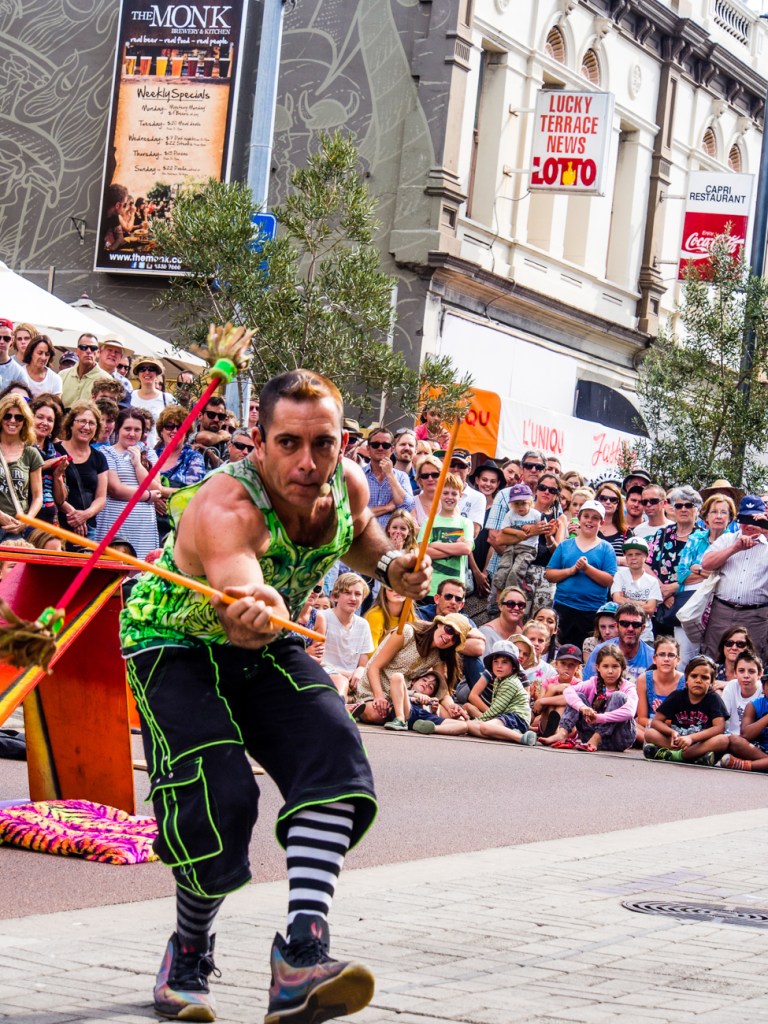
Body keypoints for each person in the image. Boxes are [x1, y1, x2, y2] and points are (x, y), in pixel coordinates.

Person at [120, 368, 432, 1023]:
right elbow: (242, 593)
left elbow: (361, 535)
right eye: (289, 443)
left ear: (343, 443)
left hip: (268, 642)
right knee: (220, 797)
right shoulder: (226, 506)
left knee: (334, 754)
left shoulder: (346, 483)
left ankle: (302, 957)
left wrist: (394, 568)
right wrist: (254, 606)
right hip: (173, 644)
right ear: (258, 443)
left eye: (323, 444)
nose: (308, 462)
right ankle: (189, 951)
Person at [356, 614, 469, 725]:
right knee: (376, 714)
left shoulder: (439, 655)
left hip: (402, 697)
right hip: (373, 690)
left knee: (455, 718)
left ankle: (406, 717)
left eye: (455, 638)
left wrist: (452, 706)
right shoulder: (407, 632)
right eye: (449, 629)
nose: (449, 637)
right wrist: (379, 696)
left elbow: (443, 692)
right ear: (439, 624)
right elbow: (374, 667)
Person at [701, 495, 768, 663]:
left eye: (754, 519)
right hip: (722, 611)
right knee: (712, 658)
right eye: (745, 519)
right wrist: (734, 548)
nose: (749, 524)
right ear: (738, 519)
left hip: (756, 615)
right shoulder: (727, 539)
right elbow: (706, 564)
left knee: (753, 661)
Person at [545, 499, 617, 647]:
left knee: (587, 650)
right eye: (586, 516)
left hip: (592, 610)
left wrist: (587, 568)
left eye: (595, 518)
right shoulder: (565, 545)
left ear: (602, 523)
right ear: (579, 518)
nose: (589, 521)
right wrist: (571, 570)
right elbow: (550, 574)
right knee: (559, 649)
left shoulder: (606, 548)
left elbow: (610, 580)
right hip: (563, 607)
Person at [541, 644, 638, 752]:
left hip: (618, 739)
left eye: (615, 666)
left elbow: (630, 712)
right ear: (598, 667)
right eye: (605, 666)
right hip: (589, 736)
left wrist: (600, 718)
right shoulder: (593, 682)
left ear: (623, 667)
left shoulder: (628, 687)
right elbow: (568, 691)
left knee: (618, 696)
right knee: (578, 696)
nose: (610, 671)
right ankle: (562, 733)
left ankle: (595, 739)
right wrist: (582, 707)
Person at [96, 408, 160, 558]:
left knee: (143, 568)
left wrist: (138, 464)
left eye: (137, 430)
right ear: (118, 429)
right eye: (127, 428)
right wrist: (148, 496)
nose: (132, 434)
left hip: (144, 528)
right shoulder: (106, 453)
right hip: (115, 523)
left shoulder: (149, 453)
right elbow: (115, 489)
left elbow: (156, 487)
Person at [642, 655, 728, 765]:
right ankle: (695, 757)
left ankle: (673, 755)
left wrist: (691, 738)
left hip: (700, 743)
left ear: (711, 683)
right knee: (650, 733)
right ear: (686, 679)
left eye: (704, 677)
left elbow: (719, 728)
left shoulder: (714, 699)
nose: (698, 680)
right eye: (694, 676)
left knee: (723, 740)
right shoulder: (677, 696)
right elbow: (656, 722)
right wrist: (672, 732)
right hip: (678, 741)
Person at [54, 402, 109, 542]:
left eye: (92, 423)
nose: (86, 427)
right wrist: (73, 514)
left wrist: (85, 515)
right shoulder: (54, 451)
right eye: (82, 421)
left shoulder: (99, 458)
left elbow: (101, 498)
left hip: (87, 528)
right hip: (57, 525)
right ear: (71, 424)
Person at [466, 640, 537, 745]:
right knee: (470, 726)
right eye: (496, 661)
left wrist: (478, 720)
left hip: (517, 718)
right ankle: (509, 735)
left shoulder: (510, 682)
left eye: (504, 662)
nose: (499, 666)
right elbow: (474, 696)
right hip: (504, 716)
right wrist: (474, 722)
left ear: (513, 666)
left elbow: (496, 710)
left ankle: (520, 737)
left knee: (484, 726)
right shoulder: (499, 679)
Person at [417, 471, 473, 597]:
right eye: (445, 493)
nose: (450, 497)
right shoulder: (429, 522)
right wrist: (455, 549)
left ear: (460, 496)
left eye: (454, 493)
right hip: (430, 588)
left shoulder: (466, 523)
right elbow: (422, 552)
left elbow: (466, 549)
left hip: (455, 591)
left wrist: (435, 544)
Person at [322, 573, 374, 699]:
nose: (353, 598)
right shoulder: (323, 617)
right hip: (325, 674)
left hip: (352, 681)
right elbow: (317, 660)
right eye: (347, 593)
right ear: (335, 596)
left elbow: (362, 664)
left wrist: (360, 671)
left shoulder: (363, 625)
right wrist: (347, 675)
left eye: (358, 594)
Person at [0, 393, 43, 540]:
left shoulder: (31, 453)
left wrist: (27, 520)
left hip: (15, 529)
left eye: (19, 417)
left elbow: (38, 496)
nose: (13, 421)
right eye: (7, 416)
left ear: (25, 421)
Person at [384, 666, 469, 736]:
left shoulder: (430, 702)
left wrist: (434, 711)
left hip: (423, 718)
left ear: (431, 695)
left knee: (463, 726)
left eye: (430, 687)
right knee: (397, 676)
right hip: (407, 712)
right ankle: (400, 720)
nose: (426, 684)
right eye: (424, 680)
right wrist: (416, 695)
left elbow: (434, 716)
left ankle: (431, 728)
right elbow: (397, 691)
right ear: (414, 681)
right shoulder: (404, 691)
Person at [583, 601, 654, 683]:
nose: (630, 628)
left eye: (636, 624)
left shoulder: (652, 657)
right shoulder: (599, 651)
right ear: (617, 626)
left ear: (643, 628)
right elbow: (587, 686)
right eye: (624, 624)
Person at [360, 426, 414, 530]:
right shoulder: (359, 475)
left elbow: (407, 506)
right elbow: (356, 512)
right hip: (364, 533)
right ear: (368, 448)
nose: (380, 448)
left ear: (392, 449)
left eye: (385, 445)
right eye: (375, 445)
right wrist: (388, 508)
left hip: (392, 536)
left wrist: (389, 474)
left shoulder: (401, 476)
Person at [635, 636, 684, 745]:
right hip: (649, 726)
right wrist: (657, 721)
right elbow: (642, 718)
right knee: (631, 724)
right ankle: (660, 743)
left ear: (678, 660)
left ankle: (658, 744)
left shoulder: (685, 682)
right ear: (654, 659)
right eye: (661, 654)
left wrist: (663, 716)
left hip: (676, 729)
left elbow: (684, 721)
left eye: (671, 655)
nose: (666, 659)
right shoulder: (644, 679)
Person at [720, 658, 768, 771]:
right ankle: (764, 763)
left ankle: (744, 765)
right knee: (734, 740)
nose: (746, 675)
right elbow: (745, 735)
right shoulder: (753, 705)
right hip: (758, 749)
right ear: (763, 689)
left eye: (751, 671)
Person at [492, 482, 541, 592]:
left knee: (516, 569)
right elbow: (504, 528)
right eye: (516, 504)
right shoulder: (510, 514)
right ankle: (499, 588)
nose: (520, 507)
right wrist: (516, 532)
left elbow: (542, 527)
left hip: (528, 548)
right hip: (512, 546)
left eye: (523, 503)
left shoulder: (535, 514)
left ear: (530, 502)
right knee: (504, 567)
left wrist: (531, 526)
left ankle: (511, 590)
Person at [611, 537, 661, 642]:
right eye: (629, 555)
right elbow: (616, 599)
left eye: (638, 554)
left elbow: (650, 608)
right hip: (622, 633)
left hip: (645, 635)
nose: (633, 558)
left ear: (646, 556)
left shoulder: (652, 581)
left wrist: (625, 601)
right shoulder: (619, 575)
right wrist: (641, 603)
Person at [30, 394, 67, 525]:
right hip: (25, 519)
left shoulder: (57, 453)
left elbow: (60, 500)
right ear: (30, 418)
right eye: (40, 417)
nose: (45, 423)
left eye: (50, 420)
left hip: (50, 522)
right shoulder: (21, 448)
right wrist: (48, 464)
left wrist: (58, 476)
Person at [532, 643, 581, 737]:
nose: (566, 668)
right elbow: (538, 708)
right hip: (545, 725)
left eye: (571, 665)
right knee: (551, 695)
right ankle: (552, 732)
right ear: (556, 664)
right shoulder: (548, 682)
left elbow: (570, 700)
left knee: (563, 705)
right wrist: (552, 690)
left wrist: (543, 700)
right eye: (563, 663)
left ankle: (556, 733)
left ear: (577, 667)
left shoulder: (579, 684)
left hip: (568, 730)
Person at [130, 357, 176, 448]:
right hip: (130, 448)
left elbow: (179, 424)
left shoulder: (167, 398)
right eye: (142, 369)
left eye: (151, 369)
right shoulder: (129, 396)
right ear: (137, 373)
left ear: (157, 373)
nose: (147, 372)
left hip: (158, 450)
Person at [60, 334, 112, 408]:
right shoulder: (62, 375)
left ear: (98, 353)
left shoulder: (106, 380)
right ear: (77, 351)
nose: (88, 351)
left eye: (93, 348)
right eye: (83, 347)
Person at [719, 649, 763, 736]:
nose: (746, 676)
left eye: (751, 671)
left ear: (760, 674)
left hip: (756, 738)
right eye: (741, 671)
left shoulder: (763, 690)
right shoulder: (731, 686)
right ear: (735, 673)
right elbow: (722, 719)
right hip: (730, 737)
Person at [594, 481, 630, 559]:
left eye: (613, 499)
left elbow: (631, 559)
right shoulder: (587, 526)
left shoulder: (626, 532)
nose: (608, 502)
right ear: (597, 500)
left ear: (618, 505)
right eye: (603, 498)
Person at [19, 334, 62, 399]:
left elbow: (56, 404)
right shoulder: (19, 374)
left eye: (47, 354)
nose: (43, 357)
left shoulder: (55, 379)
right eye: (40, 353)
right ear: (31, 353)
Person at [411, 454, 442, 527]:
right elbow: (413, 530)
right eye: (425, 476)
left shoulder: (449, 500)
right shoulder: (412, 503)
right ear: (419, 479)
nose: (430, 479)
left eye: (435, 475)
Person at [392, 428, 418, 495]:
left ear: (416, 451)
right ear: (393, 449)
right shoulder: (384, 476)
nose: (407, 448)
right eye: (403, 444)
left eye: (411, 445)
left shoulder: (422, 478)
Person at [0, 321, 24, 390]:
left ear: (12, 340)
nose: (1, 341)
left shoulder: (18, 372)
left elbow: (23, 395)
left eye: (6, 338)